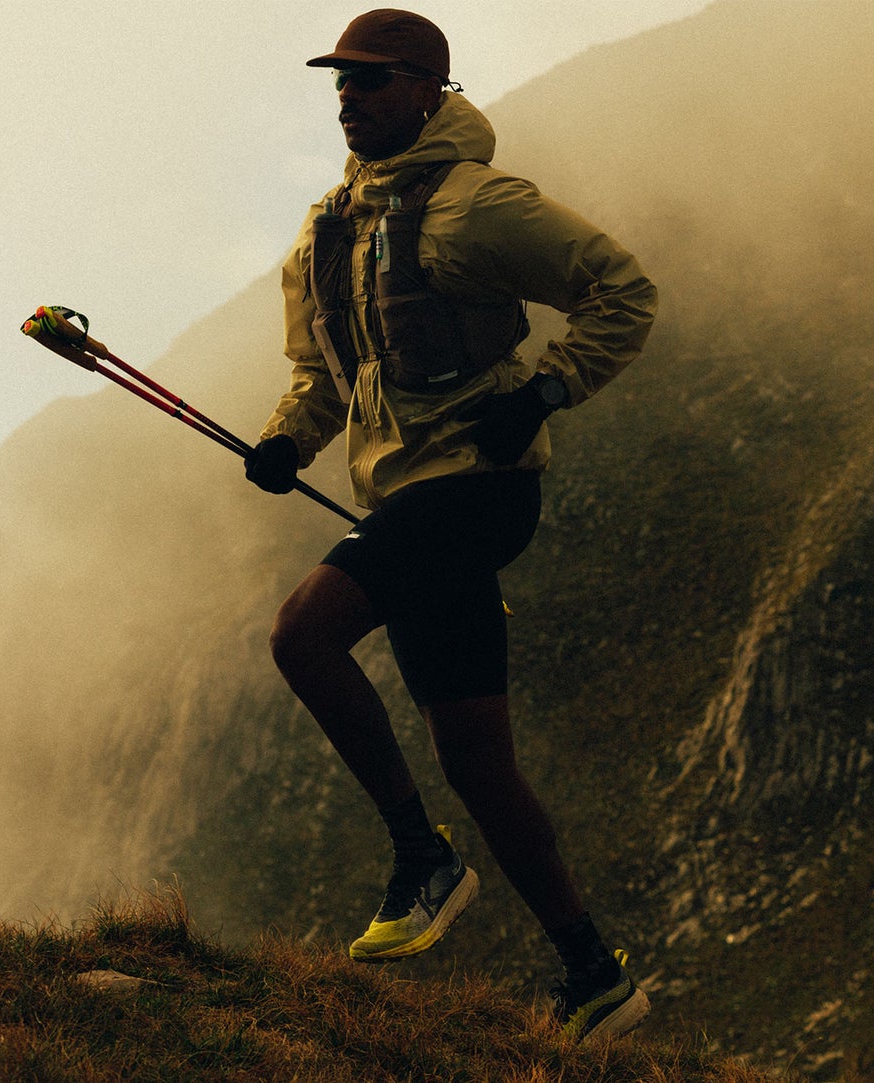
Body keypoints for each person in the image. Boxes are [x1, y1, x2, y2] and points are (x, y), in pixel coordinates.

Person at [241, 8, 659, 1045]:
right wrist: (287, 442)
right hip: (406, 499)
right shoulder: (324, 232)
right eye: (340, 82)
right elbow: (322, 378)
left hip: (478, 489)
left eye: (373, 80)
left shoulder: (482, 208)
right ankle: (595, 975)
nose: (350, 97)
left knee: (302, 633)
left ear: (430, 88)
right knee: (479, 762)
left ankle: (420, 857)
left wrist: (549, 391)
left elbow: (624, 290)